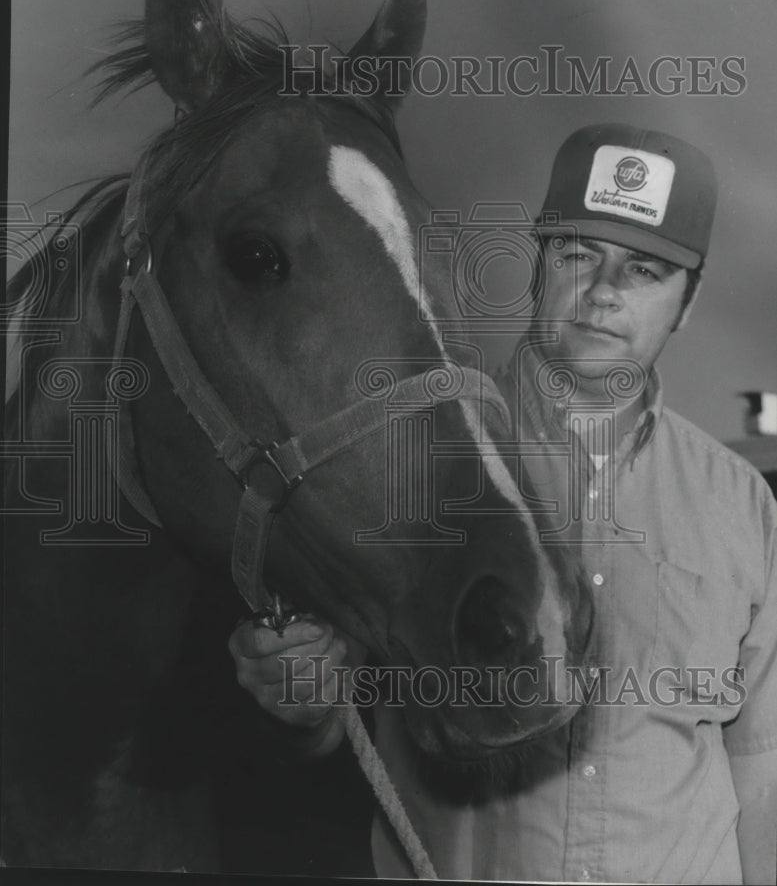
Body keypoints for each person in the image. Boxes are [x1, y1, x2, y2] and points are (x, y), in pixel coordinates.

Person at [229, 123, 777, 884]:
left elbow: (758, 767)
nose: (605, 292)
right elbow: (326, 722)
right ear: (536, 263)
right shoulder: (409, 459)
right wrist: (295, 690)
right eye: (579, 255)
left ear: (687, 302)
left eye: (645, 270)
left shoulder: (741, 501)